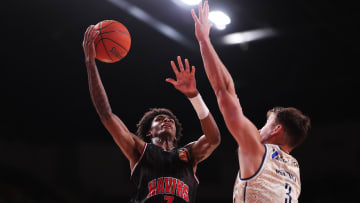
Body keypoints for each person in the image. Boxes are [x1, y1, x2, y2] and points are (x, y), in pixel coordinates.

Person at [82, 25, 221, 203]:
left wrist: (194, 96)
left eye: (170, 119)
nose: (167, 120)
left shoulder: (189, 155)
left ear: (176, 133)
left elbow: (214, 139)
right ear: (149, 132)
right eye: (160, 119)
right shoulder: (140, 151)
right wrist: (90, 63)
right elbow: (106, 114)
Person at [191, 1, 311, 202]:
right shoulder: (294, 170)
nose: (259, 129)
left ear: (276, 130)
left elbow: (224, 92)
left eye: (265, 125)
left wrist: (204, 41)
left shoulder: (258, 151)